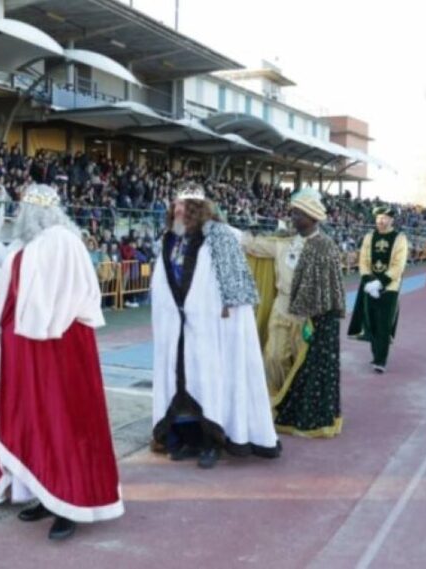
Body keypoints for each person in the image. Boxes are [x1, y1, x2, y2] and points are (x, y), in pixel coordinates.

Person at [0, 183, 122, 541]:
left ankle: (70, 502)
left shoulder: (60, 240)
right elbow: (12, 286)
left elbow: (28, 276)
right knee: (39, 419)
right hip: (36, 347)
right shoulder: (33, 244)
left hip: (62, 349)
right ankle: (46, 492)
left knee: (66, 421)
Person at [151, 183, 280, 468]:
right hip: (177, 325)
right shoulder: (169, 239)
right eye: (175, 204)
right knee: (180, 381)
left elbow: (237, 286)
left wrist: (219, 312)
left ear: (197, 209)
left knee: (209, 380)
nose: (176, 209)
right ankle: (185, 439)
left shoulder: (219, 236)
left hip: (210, 325)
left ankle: (212, 442)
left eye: (183, 205)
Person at [244, 187, 346, 437]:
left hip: (307, 316)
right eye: (294, 213)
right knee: (274, 357)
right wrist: (224, 230)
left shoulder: (326, 248)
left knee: (300, 363)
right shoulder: (283, 243)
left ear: (312, 218)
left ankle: (294, 406)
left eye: (299, 214)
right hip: (282, 307)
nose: (294, 218)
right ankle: (275, 403)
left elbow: (331, 290)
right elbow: (254, 246)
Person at [347, 206, 409, 373]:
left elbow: (398, 265)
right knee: (371, 323)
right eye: (378, 218)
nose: (380, 221)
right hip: (369, 286)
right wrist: (368, 281)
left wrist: (380, 283)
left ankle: (381, 360)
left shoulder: (399, 238)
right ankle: (376, 354)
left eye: (384, 218)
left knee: (384, 324)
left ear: (391, 220)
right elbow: (364, 260)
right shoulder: (369, 237)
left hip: (389, 288)